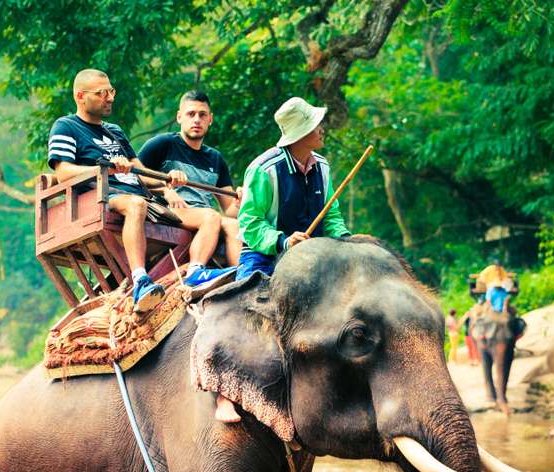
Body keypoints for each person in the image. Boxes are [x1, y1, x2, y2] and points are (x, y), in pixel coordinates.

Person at [47, 69, 223, 312]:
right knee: (135, 204)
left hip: (145, 201)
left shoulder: (114, 131)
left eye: (111, 91)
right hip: (101, 197)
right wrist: (106, 168)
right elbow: (63, 172)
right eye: (101, 93)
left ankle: (195, 272)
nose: (110, 98)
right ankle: (140, 279)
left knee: (210, 216)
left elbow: (141, 173)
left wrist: (168, 179)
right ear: (80, 96)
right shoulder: (66, 126)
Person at [236, 97, 352, 280]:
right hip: (265, 256)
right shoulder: (263, 169)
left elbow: (331, 215)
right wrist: (284, 241)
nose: (322, 129)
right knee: (249, 295)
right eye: (315, 125)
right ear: (300, 134)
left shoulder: (323, 166)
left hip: (313, 256)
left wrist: (346, 239)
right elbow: (250, 222)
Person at [138, 90, 242, 278]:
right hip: (169, 212)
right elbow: (135, 176)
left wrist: (243, 200)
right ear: (179, 117)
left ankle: (243, 279)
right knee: (211, 216)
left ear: (210, 119)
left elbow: (229, 209)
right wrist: (165, 187)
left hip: (205, 216)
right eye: (191, 114)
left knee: (234, 225)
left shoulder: (215, 158)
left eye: (202, 115)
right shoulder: (162, 144)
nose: (197, 120)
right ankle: (195, 271)